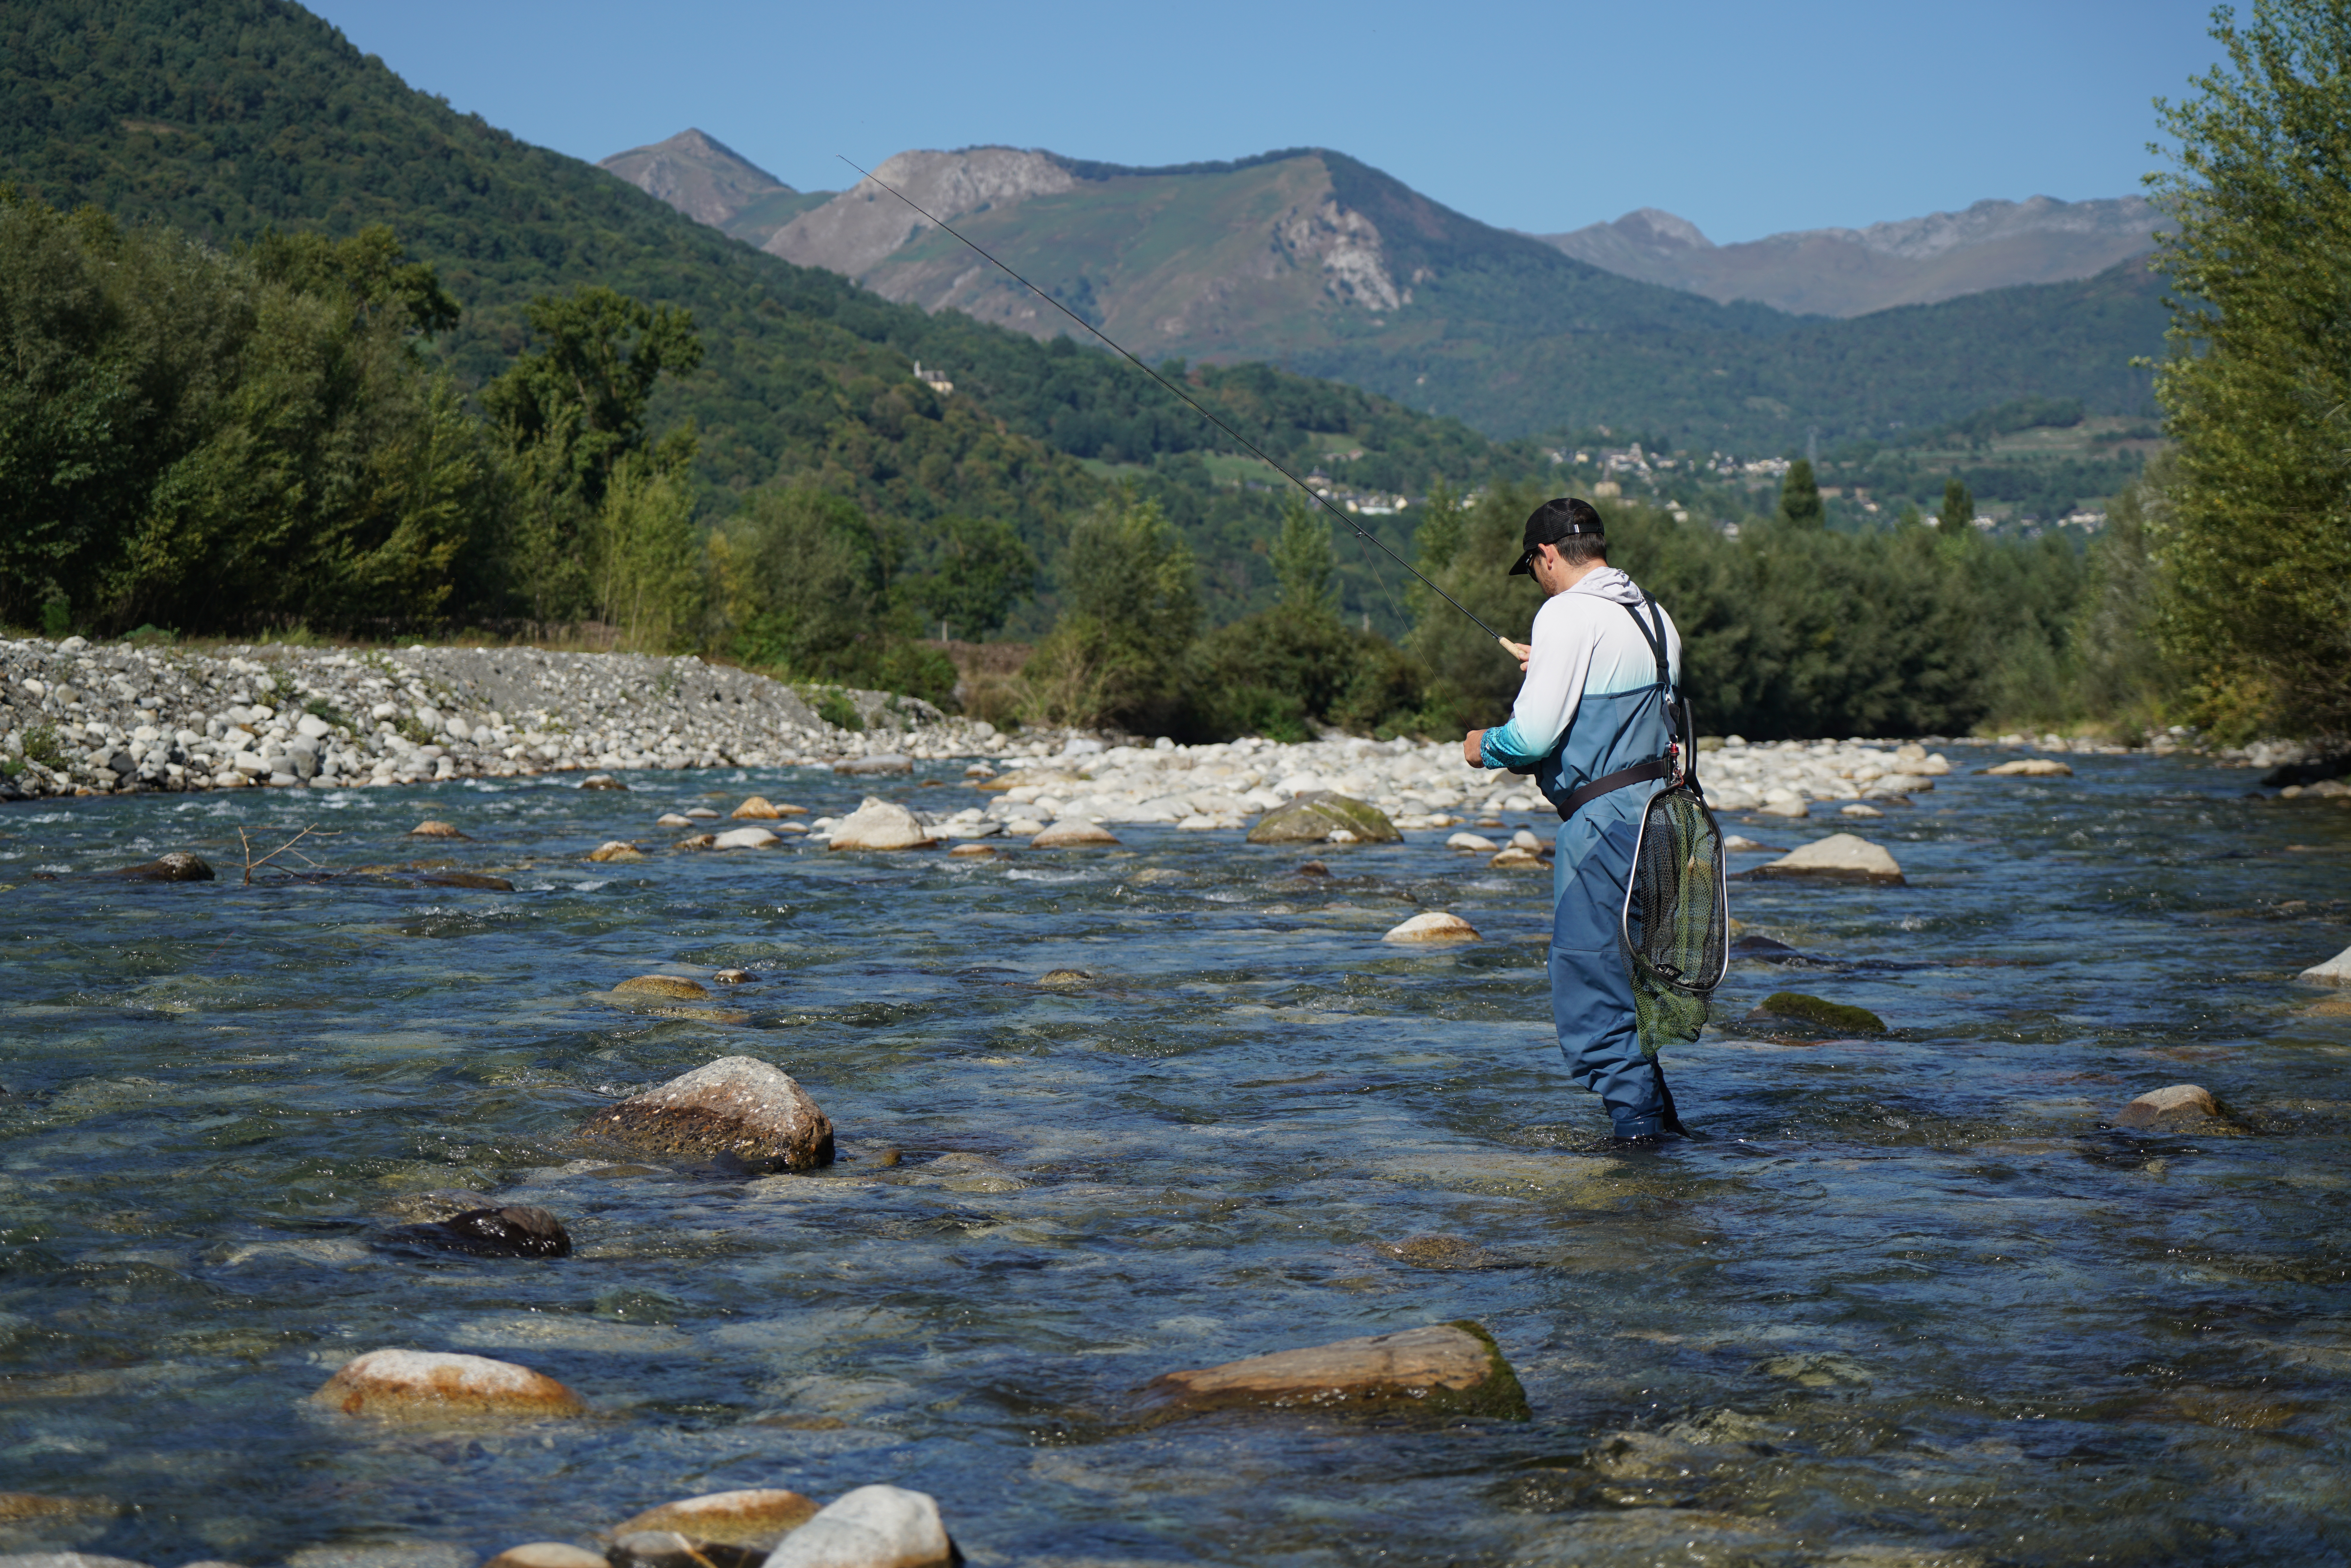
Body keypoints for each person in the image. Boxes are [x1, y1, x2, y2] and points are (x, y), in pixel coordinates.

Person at [1461, 496, 1695, 1144]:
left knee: (1591, 983)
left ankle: (1641, 1148)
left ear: (1545, 556)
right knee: (1629, 986)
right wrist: (1552, 667)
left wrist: (1483, 745)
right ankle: (1661, 1130)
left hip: (1606, 827)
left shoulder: (1565, 613)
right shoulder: (1653, 615)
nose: (1538, 580)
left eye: (1533, 567)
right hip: (1665, 819)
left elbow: (1533, 738)